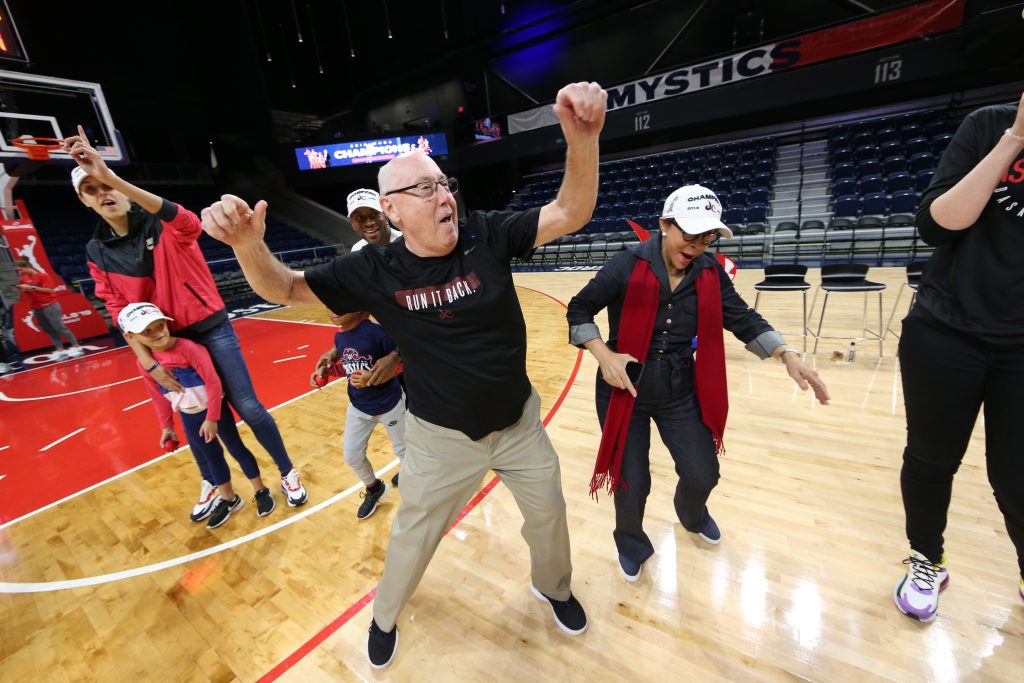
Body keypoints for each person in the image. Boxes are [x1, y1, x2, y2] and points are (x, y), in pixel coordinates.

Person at [201, 80, 607, 669]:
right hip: (440, 440)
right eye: (423, 188)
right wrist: (246, 245)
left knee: (549, 517)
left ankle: (555, 586)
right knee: (413, 537)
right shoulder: (372, 270)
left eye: (445, 184)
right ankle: (384, 616)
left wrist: (582, 137)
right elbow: (282, 288)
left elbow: (572, 210)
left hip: (519, 425)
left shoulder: (487, 235)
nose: (443, 196)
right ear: (391, 209)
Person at [567, 184, 830, 583]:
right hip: (625, 385)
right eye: (689, 235)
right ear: (663, 225)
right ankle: (632, 543)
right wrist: (605, 355)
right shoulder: (626, 263)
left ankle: (691, 513)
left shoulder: (710, 273)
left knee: (703, 472)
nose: (697, 245)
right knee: (631, 480)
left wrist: (787, 354)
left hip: (678, 388)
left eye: (707, 237)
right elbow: (579, 308)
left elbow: (743, 319)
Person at [62, 126, 308, 518]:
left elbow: (190, 224)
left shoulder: (160, 223)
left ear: (122, 187)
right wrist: (150, 363)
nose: (103, 193)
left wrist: (111, 175)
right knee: (197, 420)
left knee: (247, 405)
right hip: (167, 342)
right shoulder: (96, 251)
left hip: (210, 327)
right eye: (90, 189)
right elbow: (118, 311)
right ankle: (218, 485)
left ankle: (288, 471)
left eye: (105, 184)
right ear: (83, 200)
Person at [892, 94, 1024, 622]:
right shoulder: (988, 125)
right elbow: (936, 225)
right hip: (946, 329)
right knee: (931, 459)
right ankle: (928, 558)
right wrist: (1013, 139)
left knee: (1016, 473)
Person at [120, 302, 277, 528]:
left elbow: (213, 383)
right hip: (189, 416)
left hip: (214, 411)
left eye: (160, 325)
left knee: (236, 448)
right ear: (131, 337)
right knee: (211, 457)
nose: (157, 333)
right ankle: (229, 499)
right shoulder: (146, 365)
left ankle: (260, 490)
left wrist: (212, 418)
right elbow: (157, 396)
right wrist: (167, 427)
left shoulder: (189, 349)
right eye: (147, 331)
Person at [310, 309, 404, 519]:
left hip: (390, 405)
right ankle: (374, 488)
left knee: (405, 452)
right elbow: (349, 369)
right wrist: (327, 371)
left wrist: (373, 377)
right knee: (352, 456)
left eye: (339, 305)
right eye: (328, 305)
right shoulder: (340, 336)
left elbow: (400, 364)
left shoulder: (377, 333)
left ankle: (418, 500)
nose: (332, 311)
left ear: (360, 309)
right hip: (359, 407)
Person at [12, 258, 85, 360]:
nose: (19, 272)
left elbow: (50, 290)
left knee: (59, 327)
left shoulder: (42, 276)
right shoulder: (24, 278)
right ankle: (60, 350)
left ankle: (77, 347)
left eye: (20, 270)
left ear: (27, 267)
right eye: (17, 271)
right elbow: (28, 291)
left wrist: (32, 288)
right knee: (48, 329)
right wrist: (22, 289)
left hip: (49, 305)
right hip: (36, 306)